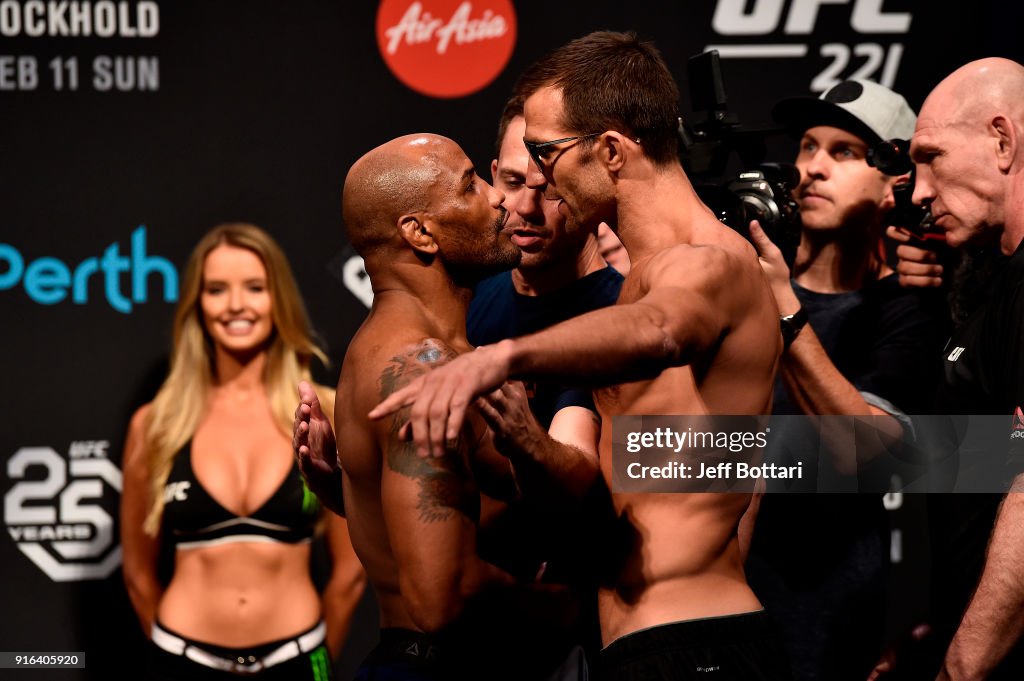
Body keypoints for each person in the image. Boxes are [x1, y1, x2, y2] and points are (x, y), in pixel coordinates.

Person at [370, 31, 791, 680]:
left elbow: (661, 330)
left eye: (547, 152)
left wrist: (496, 359)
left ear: (613, 152)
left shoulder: (708, 260)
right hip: (638, 641)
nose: (536, 180)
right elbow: (646, 474)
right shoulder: (644, 276)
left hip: (694, 643)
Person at [331, 132, 602, 680]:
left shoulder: (416, 351)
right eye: (471, 185)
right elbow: (440, 595)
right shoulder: (419, 367)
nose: (499, 198)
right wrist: (564, 607)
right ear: (421, 232)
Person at [744, 80, 943, 681]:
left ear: (896, 186)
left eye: (844, 152)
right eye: (806, 147)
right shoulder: (737, 277)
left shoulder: (912, 307)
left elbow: (874, 458)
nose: (812, 169)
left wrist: (779, 302)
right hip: (729, 594)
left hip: (843, 608)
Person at [119, 223, 366, 680]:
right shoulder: (155, 424)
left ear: (279, 299)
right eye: (216, 289)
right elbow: (137, 573)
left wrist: (317, 660)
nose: (236, 305)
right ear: (197, 303)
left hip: (300, 657)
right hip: (180, 656)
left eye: (255, 287)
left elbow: (351, 572)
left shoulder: (322, 410)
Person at [894, 57, 1024, 681]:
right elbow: (981, 469)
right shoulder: (996, 285)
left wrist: (963, 664)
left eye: (931, 157)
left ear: (1003, 142)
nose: (918, 191)